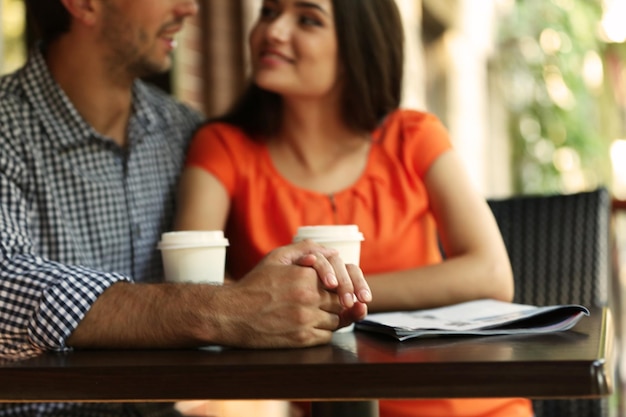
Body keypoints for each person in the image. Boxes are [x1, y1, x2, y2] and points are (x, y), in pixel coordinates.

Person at [0, 0, 371, 416]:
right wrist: (223, 310)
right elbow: (4, 281)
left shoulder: (186, 132)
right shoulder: (6, 127)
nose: (190, 8)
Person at [174, 0, 533, 416]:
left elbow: (491, 273)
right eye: (269, 12)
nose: (273, 31)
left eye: (308, 20)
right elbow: (195, 286)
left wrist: (330, 295)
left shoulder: (414, 137)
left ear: (357, 46)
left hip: (457, 401)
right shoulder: (222, 147)